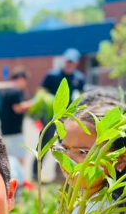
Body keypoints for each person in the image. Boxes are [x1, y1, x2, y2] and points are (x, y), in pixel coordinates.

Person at [32, 48, 86, 180]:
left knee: (66, 147)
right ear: (64, 60)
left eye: (72, 62)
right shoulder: (52, 75)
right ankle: (35, 174)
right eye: (68, 61)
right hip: (51, 117)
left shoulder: (79, 78)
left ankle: (61, 176)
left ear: (76, 63)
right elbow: (41, 93)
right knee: (44, 144)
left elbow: (81, 97)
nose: (69, 64)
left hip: (68, 119)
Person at [0, 66, 32, 166]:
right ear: (21, 79)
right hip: (14, 131)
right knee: (19, 158)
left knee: (10, 158)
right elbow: (17, 108)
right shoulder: (15, 91)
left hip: (6, 130)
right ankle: (18, 180)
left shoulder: (8, 91)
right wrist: (34, 102)